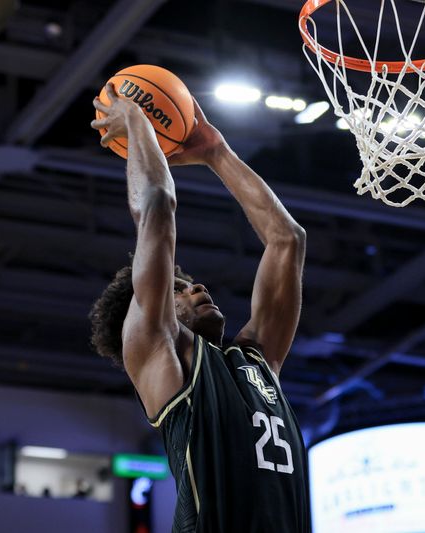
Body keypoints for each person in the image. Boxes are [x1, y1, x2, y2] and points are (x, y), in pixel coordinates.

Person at [89, 82, 309, 532]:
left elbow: (287, 241)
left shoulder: (257, 360)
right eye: (179, 288)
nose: (196, 288)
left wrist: (217, 152)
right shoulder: (153, 348)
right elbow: (156, 205)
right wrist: (134, 120)